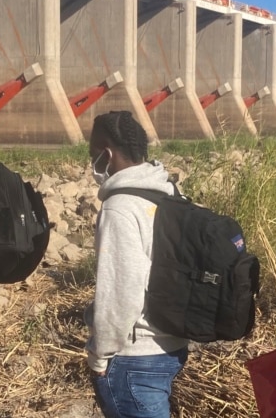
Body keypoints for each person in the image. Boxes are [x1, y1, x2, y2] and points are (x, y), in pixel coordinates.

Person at [85, 111, 189, 418]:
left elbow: (121, 291)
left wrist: (100, 357)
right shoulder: (169, 194)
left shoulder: (120, 207)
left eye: (93, 155)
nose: (92, 165)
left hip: (134, 357)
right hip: (171, 346)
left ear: (106, 153)